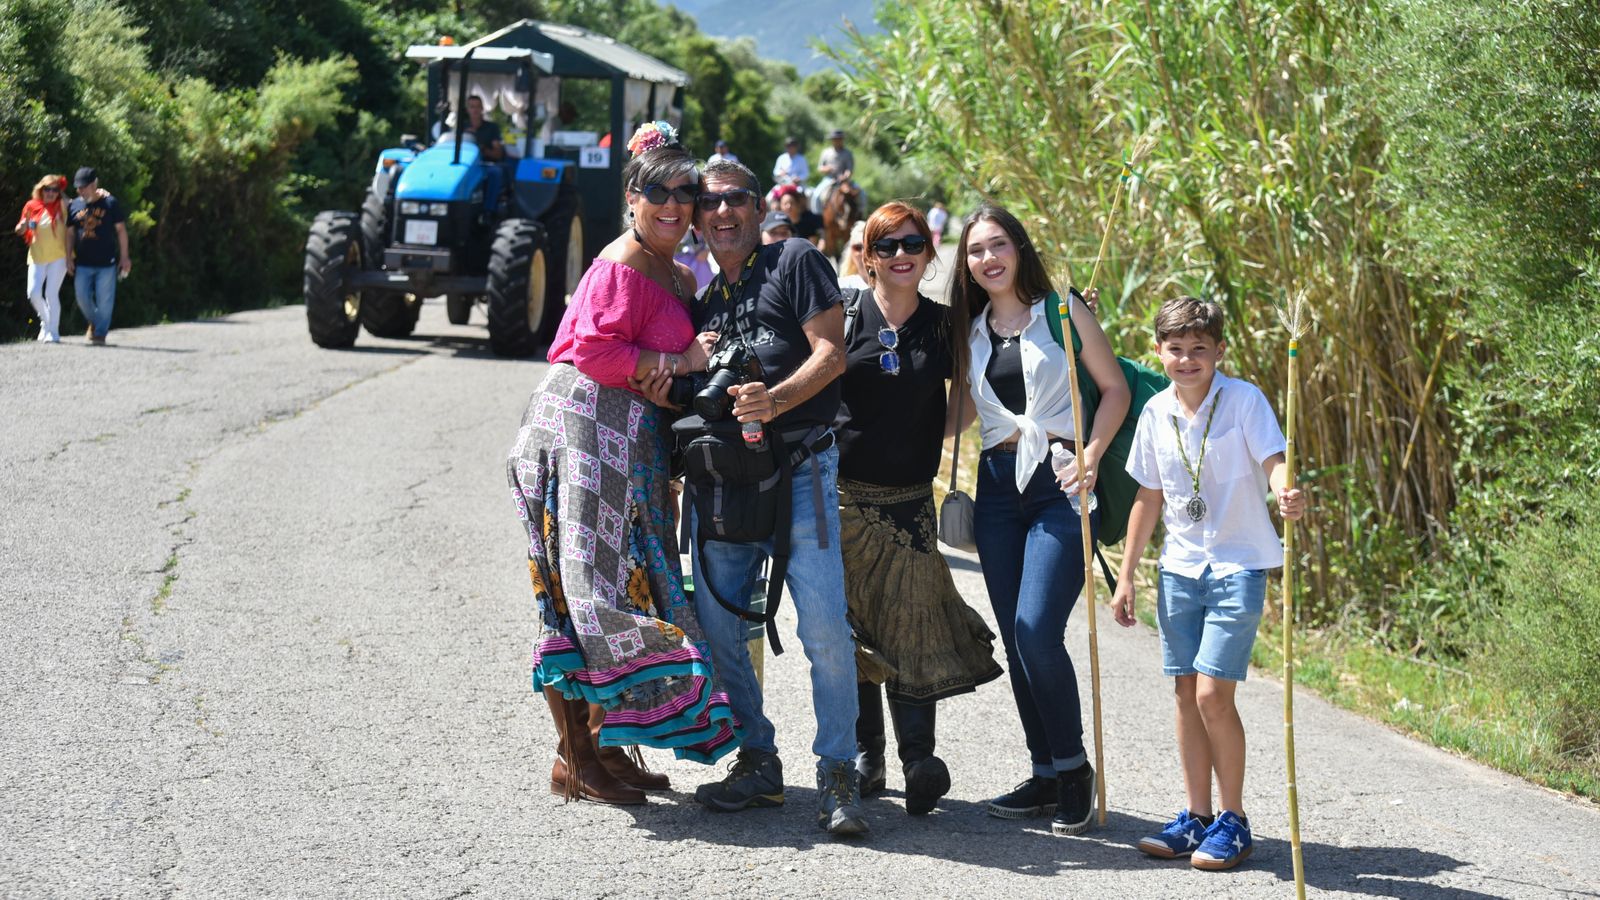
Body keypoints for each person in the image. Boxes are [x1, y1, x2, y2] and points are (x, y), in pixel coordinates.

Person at [506, 122, 737, 809]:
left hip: (622, 435)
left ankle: (603, 750)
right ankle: (575, 758)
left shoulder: (677, 268)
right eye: (657, 192)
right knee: (583, 592)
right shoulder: (621, 265)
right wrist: (683, 362)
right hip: (581, 428)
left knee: (621, 582)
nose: (673, 204)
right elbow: (592, 355)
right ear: (631, 197)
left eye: (685, 192)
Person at [675, 157, 868, 836]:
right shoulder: (703, 303)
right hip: (725, 481)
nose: (722, 212)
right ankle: (758, 759)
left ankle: (838, 772)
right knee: (718, 621)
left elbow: (832, 354)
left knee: (823, 629)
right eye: (710, 203)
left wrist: (774, 400)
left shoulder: (795, 261)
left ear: (758, 208)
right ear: (696, 219)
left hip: (804, 469)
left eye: (736, 200)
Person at [950, 201, 1128, 837]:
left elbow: (1114, 389)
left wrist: (1092, 454)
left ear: (1019, 248)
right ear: (966, 264)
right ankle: (1046, 771)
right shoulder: (967, 328)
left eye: (998, 244)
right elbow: (963, 413)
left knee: (1034, 628)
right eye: (975, 250)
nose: (988, 258)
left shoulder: (1063, 310)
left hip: (1060, 482)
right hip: (996, 485)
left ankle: (1076, 767)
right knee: (1015, 634)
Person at [1110, 296, 1305, 870]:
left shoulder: (1243, 400)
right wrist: (1126, 577)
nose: (1188, 359)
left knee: (1212, 694)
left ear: (1219, 351)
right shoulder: (1154, 413)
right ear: (1159, 351)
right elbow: (1149, 497)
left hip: (1238, 564)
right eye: (1177, 349)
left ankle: (1234, 819)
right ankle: (1195, 818)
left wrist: (1287, 490)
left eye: (1200, 349)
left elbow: (1276, 461)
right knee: (1184, 693)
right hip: (1179, 570)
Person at [836, 201, 1003, 816]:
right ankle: (866, 756)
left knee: (910, 624)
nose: (900, 255)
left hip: (910, 502)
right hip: (843, 500)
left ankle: (918, 760)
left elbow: (1007, 334)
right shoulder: (844, 313)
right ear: (868, 257)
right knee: (853, 631)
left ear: (929, 253)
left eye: (912, 244)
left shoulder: (946, 324)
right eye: (887, 246)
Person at [66, 167, 130, 345]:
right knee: (81, 297)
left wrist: (125, 257)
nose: (80, 190)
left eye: (84, 187)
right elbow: (70, 233)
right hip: (83, 263)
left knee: (105, 301)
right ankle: (94, 323)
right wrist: (68, 256)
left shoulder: (110, 203)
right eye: (78, 187)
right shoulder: (74, 205)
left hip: (106, 263)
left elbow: (121, 230)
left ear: (94, 184)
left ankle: (100, 333)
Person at [14, 174, 69, 343]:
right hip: (37, 255)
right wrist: (22, 227)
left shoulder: (63, 205)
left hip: (59, 256)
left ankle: (53, 332)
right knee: (33, 293)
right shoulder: (31, 206)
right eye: (47, 189)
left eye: (54, 190)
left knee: (51, 293)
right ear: (41, 189)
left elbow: (81, 204)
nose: (51, 193)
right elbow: (20, 229)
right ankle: (46, 323)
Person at [836, 221, 869, 290]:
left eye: (868, 247)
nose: (863, 252)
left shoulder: (891, 285)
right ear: (851, 253)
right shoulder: (841, 286)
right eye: (858, 247)